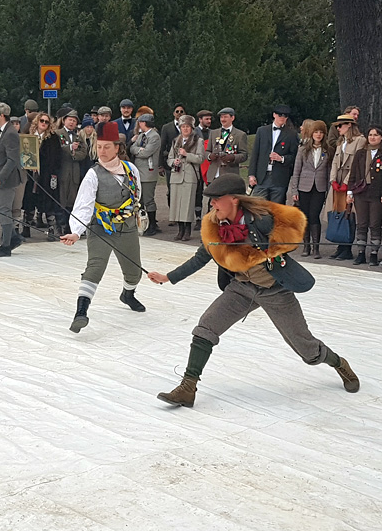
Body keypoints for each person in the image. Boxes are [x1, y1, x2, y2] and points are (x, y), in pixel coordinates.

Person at [146, 174, 359, 407]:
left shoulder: (262, 220)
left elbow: (292, 229)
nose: (212, 204)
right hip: (241, 288)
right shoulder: (214, 225)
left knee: (307, 350)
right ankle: (188, 388)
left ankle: (339, 363)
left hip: (274, 289)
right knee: (206, 327)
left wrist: (271, 248)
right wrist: (168, 277)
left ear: (234, 200)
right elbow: (201, 258)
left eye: (217, 199)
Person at [59, 121, 146, 332]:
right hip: (101, 228)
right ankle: (81, 312)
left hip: (127, 227)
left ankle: (128, 294)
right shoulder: (93, 174)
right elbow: (83, 205)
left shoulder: (131, 169)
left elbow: (137, 194)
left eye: (107, 146)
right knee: (95, 267)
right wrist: (76, 232)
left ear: (117, 147)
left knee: (134, 272)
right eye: (99, 146)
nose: (102, 151)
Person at [348, 124, 382, 266]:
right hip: (361, 193)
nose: (372, 137)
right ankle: (361, 253)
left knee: (375, 224)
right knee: (361, 223)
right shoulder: (360, 153)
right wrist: (350, 191)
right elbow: (354, 173)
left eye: (376, 135)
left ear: (381, 137)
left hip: (377, 194)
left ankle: (374, 253)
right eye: (370, 135)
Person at [0, 102, 25, 257]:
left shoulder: (10, 134)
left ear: (1, 116)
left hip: (7, 179)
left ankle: (6, 246)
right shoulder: (4, 131)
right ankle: (13, 236)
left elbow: (12, 160)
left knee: (4, 209)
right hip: (2, 177)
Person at [288, 120, 330, 259]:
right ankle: (306, 245)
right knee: (305, 216)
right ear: (311, 133)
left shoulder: (327, 150)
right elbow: (297, 170)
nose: (318, 135)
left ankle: (316, 247)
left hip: (319, 187)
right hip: (304, 187)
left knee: (314, 215)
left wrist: (328, 192)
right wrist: (294, 191)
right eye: (316, 132)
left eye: (321, 132)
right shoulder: (303, 149)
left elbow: (329, 172)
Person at [329, 114, 364, 261]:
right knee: (337, 212)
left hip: (349, 181)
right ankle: (340, 245)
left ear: (349, 125)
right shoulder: (340, 142)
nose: (338, 128)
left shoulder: (360, 140)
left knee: (348, 213)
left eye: (340, 125)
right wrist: (333, 180)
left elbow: (357, 163)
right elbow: (335, 163)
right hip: (338, 181)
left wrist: (347, 182)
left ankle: (347, 247)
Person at [248, 104, 298, 203]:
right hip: (261, 176)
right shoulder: (262, 131)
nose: (282, 118)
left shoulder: (292, 134)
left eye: (285, 116)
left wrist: (281, 158)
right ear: (274, 115)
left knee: (277, 209)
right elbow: (255, 154)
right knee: (258, 206)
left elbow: (294, 156)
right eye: (280, 115)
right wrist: (251, 174)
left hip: (279, 178)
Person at [167, 115, 203, 241]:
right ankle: (180, 230)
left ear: (191, 128)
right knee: (176, 203)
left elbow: (200, 158)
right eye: (183, 127)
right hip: (176, 175)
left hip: (189, 175)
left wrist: (187, 155)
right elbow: (169, 158)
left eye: (187, 126)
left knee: (187, 204)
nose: (185, 129)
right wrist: (173, 162)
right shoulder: (175, 141)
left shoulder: (198, 141)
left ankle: (187, 230)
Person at [31, 112, 64, 241]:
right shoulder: (30, 135)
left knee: (48, 200)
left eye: (46, 122)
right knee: (30, 199)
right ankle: (26, 227)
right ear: (37, 122)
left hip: (47, 173)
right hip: (31, 173)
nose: (44, 123)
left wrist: (53, 174)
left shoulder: (52, 138)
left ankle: (51, 229)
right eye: (42, 121)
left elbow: (56, 158)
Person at [129, 113, 162, 236]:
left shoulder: (154, 137)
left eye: (140, 122)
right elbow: (133, 148)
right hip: (138, 171)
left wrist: (139, 151)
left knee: (148, 199)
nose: (139, 124)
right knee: (140, 199)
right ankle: (144, 223)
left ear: (145, 123)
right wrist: (139, 150)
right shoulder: (141, 136)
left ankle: (153, 224)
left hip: (148, 172)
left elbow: (146, 152)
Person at [56, 110, 89, 234]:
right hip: (62, 169)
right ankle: (60, 224)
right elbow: (56, 149)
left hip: (74, 170)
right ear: (64, 120)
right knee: (61, 196)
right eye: (70, 119)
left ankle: (69, 226)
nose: (72, 122)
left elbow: (83, 152)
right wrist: (70, 148)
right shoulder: (57, 133)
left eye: (74, 120)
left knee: (72, 198)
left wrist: (74, 155)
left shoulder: (78, 136)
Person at [205, 107, 247, 184]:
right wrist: (210, 156)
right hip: (213, 174)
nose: (223, 119)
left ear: (232, 118)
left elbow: (244, 155)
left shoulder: (240, 135)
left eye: (225, 117)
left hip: (230, 174)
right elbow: (207, 151)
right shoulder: (213, 133)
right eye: (221, 117)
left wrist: (233, 157)